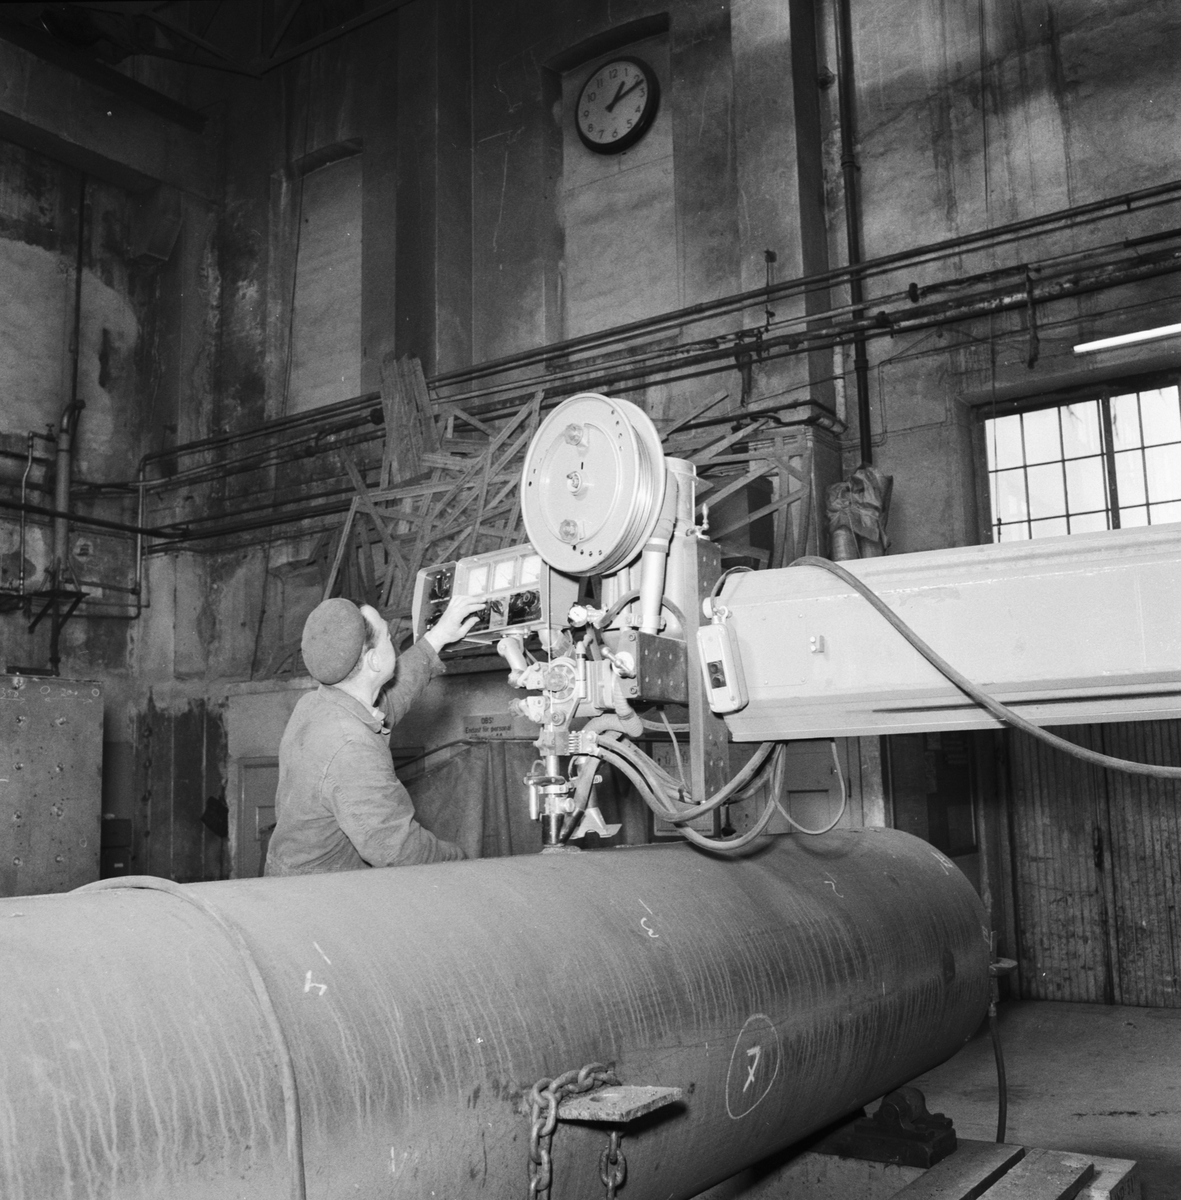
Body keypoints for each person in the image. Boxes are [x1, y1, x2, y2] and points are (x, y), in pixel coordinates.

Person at [264, 592, 485, 876]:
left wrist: (438, 636)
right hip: (321, 894)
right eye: (388, 637)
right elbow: (400, 851)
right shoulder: (351, 747)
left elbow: (390, 701)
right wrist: (466, 862)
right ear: (374, 661)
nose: (393, 641)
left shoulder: (317, 704)